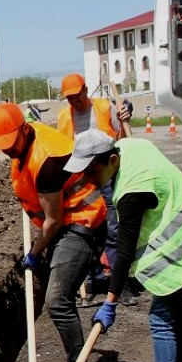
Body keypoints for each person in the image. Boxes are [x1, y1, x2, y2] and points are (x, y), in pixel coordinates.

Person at [74, 134, 182, 362]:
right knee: (175, 309)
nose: (89, 180)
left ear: (112, 160)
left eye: (92, 172)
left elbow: (123, 252)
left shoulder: (130, 193)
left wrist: (110, 303)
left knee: (160, 318)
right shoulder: (129, 145)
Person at [0, 103, 109, 362]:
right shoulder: (30, 140)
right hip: (66, 223)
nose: (7, 149)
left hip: (80, 222)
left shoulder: (46, 162)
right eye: (2, 144)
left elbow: (53, 222)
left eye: (9, 142)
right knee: (60, 295)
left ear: (24, 129)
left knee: (56, 301)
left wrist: (33, 253)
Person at [54, 73, 134, 303]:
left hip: (106, 174)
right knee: (84, 228)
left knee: (113, 228)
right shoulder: (64, 117)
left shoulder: (103, 107)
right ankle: (90, 281)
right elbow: (62, 148)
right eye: (69, 98)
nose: (73, 101)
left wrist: (126, 114)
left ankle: (120, 284)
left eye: (76, 96)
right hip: (81, 180)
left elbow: (121, 132)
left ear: (85, 90)